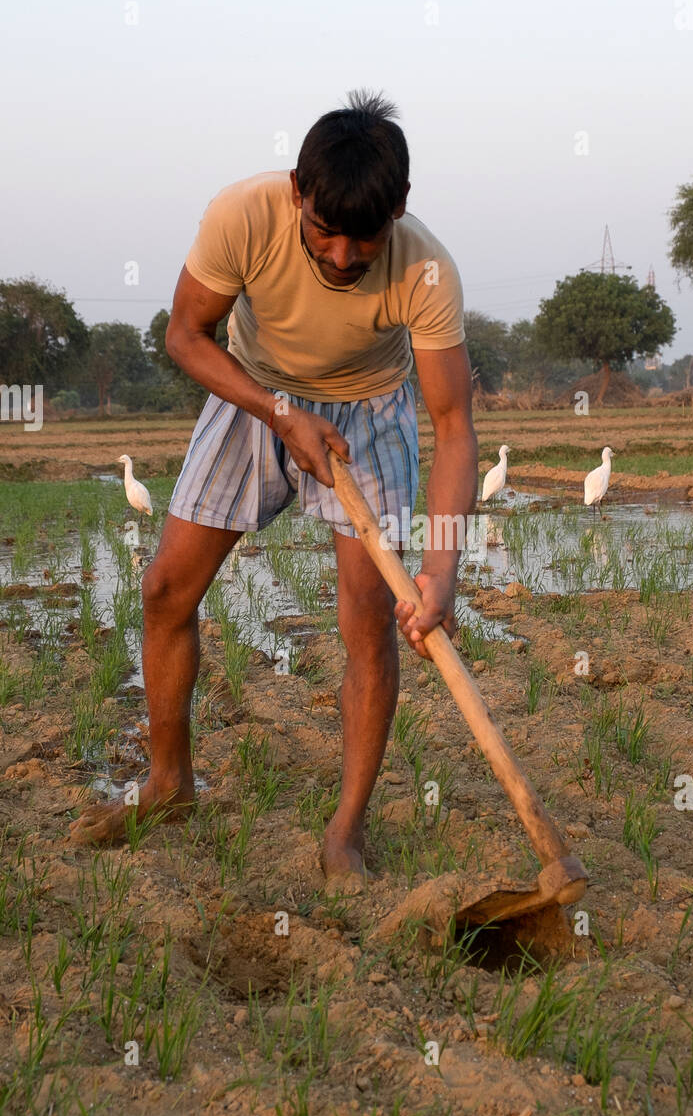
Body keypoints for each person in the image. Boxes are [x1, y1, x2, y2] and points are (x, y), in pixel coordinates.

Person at [70, 89, 478, 890]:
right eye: (323, 234)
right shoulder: (241, 215)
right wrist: (282, 413)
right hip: (253, 390)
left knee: (370, 624)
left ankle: (345, 833)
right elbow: (185, 336)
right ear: (297, 191)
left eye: (362, 242)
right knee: (164, 591)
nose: (338, 260)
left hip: (368, 410)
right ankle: (168, 785)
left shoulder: (427, 270)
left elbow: (455, 425)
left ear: (399, 209)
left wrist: (442, 570)